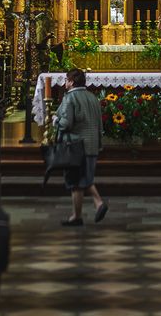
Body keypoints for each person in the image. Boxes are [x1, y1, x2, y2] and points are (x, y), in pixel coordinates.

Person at [55, 67, 107, 226]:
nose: (65, 82)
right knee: (82, 179)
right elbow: (99, 123)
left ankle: (97, 203)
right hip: (92, 144)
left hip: (76, 145)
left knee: (76, 180)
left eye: (66, 80)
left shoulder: (70, 98)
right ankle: (78, 215)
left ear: (71, 82)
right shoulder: (93, 97)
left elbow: (66, 123)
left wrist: (55, 121)